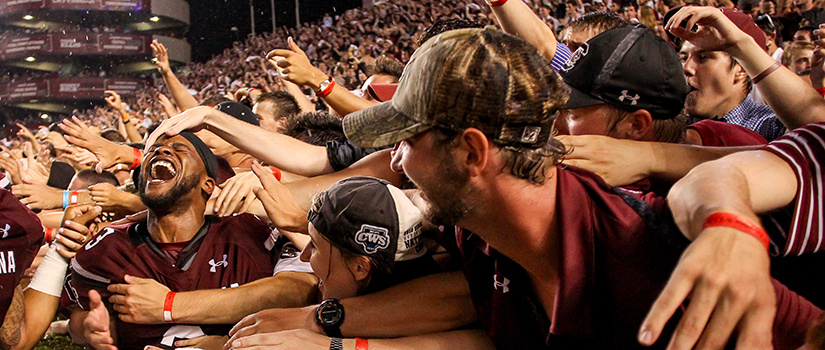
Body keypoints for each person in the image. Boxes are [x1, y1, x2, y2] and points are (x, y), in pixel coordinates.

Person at [343, 27, 818, 349]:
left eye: (407, 140)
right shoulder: (479, 229)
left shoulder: (649, 253)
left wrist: (727, 224)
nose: (398, 161)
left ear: (473, 153)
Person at [65, 131, 314, 350]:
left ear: (208, 184)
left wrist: (169, 305)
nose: (161, 150)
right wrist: (87, 328)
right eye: (153, 150)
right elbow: (79, 319)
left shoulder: (254, 230)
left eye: (179, 149)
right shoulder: (106, 247)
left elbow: (299, 291)